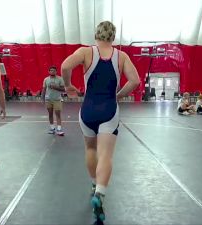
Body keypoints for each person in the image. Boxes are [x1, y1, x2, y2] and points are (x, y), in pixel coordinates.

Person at [61, 21, 140, 221]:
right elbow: (135, 81)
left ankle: (94, 183)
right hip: (109, 110)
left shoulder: (85, 52)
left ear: (96, 35)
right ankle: (100, 193)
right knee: (105, 155)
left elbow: (64, 66)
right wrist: (119, 95)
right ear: (113, 37)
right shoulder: (121, 56)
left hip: (87, 111)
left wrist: (68, 85)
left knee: (90, 150)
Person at [42, 66, 65, 136]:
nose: (52, 72)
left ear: (56, 72)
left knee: (58, 114)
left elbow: (63, 89)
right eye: (51, 70)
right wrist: (42, 98)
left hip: (57, 99)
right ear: (49, 72)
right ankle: (52, 128)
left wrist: (55, 87)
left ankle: (59, 129)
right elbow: (44, 89)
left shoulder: (60, 79)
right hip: (48, 100)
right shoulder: (46, 79)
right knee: (50, 114)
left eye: (54, 70)